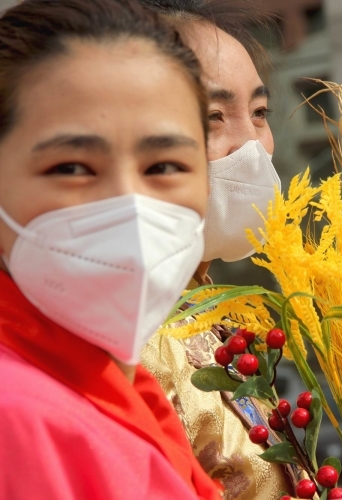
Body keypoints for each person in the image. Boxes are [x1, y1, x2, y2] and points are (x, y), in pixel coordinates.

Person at [0, 0, 220, 498]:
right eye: (71, 168)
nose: (130, 206)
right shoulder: (19, 421)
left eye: (164, 166)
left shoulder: (123, 390)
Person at [137, 2, 299, 499]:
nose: (251, 146)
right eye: (214, 116)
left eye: (259, 113)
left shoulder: (207, 312)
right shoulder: (128, 340)